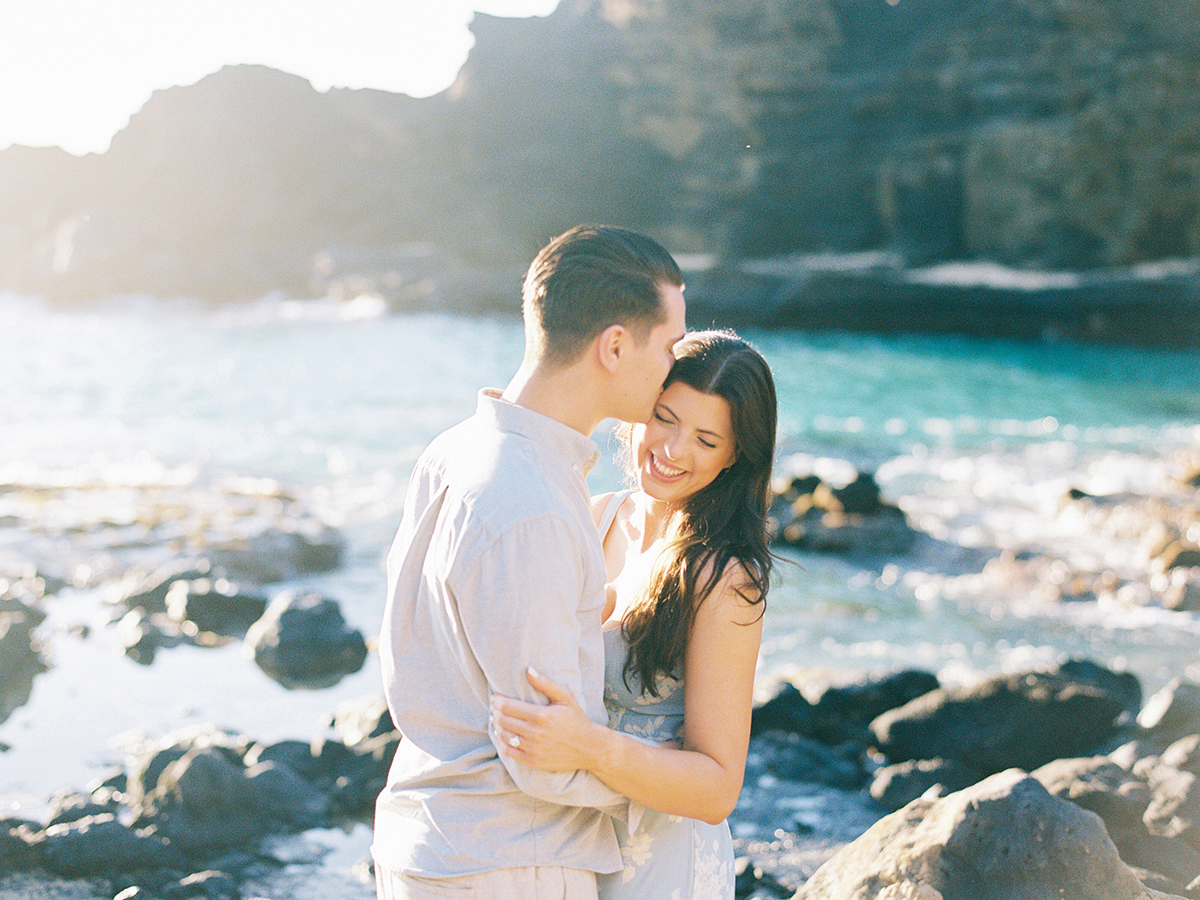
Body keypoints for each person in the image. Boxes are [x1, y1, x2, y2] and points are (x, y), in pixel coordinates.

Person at [372, 224, 687, 900]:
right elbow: (542, 755)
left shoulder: (456, 450)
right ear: (614, 346)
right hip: (509, 863)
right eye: (669, 347)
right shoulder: (534, 503)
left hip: (433, 838)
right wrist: (681, 793)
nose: (674, 369)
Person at [491, 329, 778, 899]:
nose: (673, 450)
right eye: (665, 418)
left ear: (734, 456)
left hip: (663, 861)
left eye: (705, 439)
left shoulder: (725, 579)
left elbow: (719, 788)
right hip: (570, 839)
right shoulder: (593, 515)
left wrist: (588, 747)